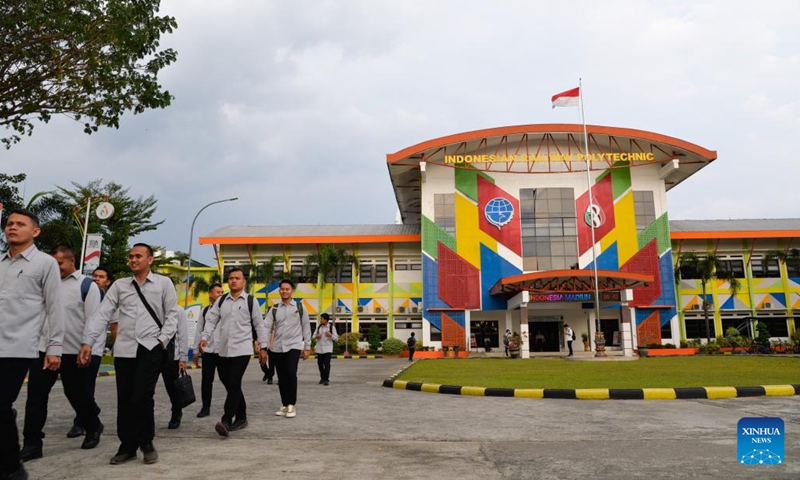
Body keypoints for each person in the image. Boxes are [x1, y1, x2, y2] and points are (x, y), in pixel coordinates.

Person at [80, 243, 180, 466]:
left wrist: (161, 341)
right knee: (124, 399)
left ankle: (146, 442)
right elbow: (102, 313)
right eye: (130, 256)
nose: (133, 260)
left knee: (142, 396)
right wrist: (88, 340)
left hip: (150, 348)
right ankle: (127, 447)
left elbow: (173, 315)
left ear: (150, 260)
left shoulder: (163, 283)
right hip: (124, 349)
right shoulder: (120, 285)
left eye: (138, 256)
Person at [21, 246, 105, 462]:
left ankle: (93, 426)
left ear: (71, 261)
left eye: (59, 263)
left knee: (76, 395)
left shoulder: (86, 286)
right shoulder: (44, 284)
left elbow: (93, 319)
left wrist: (87, 345)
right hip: (44, 350)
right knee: (36, 397)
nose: (55, 268)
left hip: (72, 351)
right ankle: (32, 443)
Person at [0, 210, 64, 480]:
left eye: (20, 224)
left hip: (19, 346)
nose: (13, 227)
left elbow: (55, 307)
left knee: (1, 404)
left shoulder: (45, 263)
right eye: (9, 223)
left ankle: (13, 467)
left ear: (35, 232)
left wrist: (54, 347)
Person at [199, 268, 268, 436]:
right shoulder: (221, 301)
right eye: (231, 278)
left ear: (244, 281)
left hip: (242, 349)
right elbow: (211, 320)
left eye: (237, 278)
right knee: (230, 383)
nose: (233, 281)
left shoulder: (251, 301)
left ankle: (227, 419)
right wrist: (205, 337)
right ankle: (242, 417)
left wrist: (263, 347)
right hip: (223, 349)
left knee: (234, 380)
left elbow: (259, 325)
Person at [69, 265, 111, 439]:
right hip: (74, 346)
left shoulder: (110, 299)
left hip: (95, 348)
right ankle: (92, 410)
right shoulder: (83, 292)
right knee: (74, 387)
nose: (96, 279)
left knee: (86, 386)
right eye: (95, 275)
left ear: (107, 282)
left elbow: (113, 324)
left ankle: (80, 423)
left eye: (101, 277)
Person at [263, 279, 311, 419]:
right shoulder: (274, 309)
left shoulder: (300, 307)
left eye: (287, 289)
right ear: (279, 291)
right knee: (281, 376)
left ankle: (291, 404)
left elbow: (306, 327)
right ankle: (284, 405)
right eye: (282, 289)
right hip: (277, 347)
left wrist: (307, 347)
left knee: (291, 372)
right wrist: (263, 346)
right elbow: (266, 327)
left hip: (294, 345)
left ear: (292, 291)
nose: (284, 291)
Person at [193, 283, 224, 417]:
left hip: (224, 351)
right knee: (206, 380)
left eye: (222, 292)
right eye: (218, 292)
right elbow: (198, 331)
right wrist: (195, 351)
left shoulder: (227, 310)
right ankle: (206, 407)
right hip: (209, 351)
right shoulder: (205, 311)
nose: (221, 295)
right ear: (210, 294)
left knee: (229, 380)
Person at [159, 308, 188, 429]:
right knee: (146, 388)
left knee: (172, 388)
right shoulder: (153, 305)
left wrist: (183, 358)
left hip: (171, 356)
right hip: (152, 354)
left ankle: (176, 413)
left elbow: (182, 334)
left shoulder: (178, 310)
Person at [314, 313, 338, 385]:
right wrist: (317, 336)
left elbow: (336, 338)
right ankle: (322, 377)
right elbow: (313, 336)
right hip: (319, 348)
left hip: (328, 348)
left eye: (321, 319)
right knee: (320, 364)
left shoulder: (331, 328)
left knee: (327, 364)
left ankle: (326, 379)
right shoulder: (319, 327)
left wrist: (330, 335)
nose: (320, 320)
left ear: (326, 320)